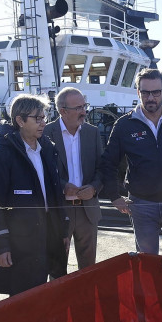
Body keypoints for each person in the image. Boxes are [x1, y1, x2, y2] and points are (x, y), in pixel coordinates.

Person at [100, 68, 162, 260]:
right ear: (138, 92)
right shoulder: (124, 125)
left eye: (156, 92)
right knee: (147, 262)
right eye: (145, 92)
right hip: (141, 204)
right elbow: (108, 163)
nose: (151, 97)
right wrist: (114, 196)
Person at [0, 94, 68, 295]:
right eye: (37, 118)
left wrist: (63, 230)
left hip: (50, 233)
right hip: (20, 239)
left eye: (44, 118)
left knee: (49, 293)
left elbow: (56, 194)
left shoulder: (47, 148)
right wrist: (1, 246)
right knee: (22, 297)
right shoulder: (2, 152)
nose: (43, 123)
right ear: (20, 120)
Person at [44, 88, 103, 269]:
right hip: (60, 211)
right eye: (78, 108)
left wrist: (93, 188)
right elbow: (43, 171)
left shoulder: (92, 133)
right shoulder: (45, 133)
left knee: (88, 269)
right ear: (63, 111)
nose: (84, 112)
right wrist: (62, 187)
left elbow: (102, 169)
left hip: (88, 211)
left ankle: (85, 298)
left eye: (84, 106)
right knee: (57, 266)